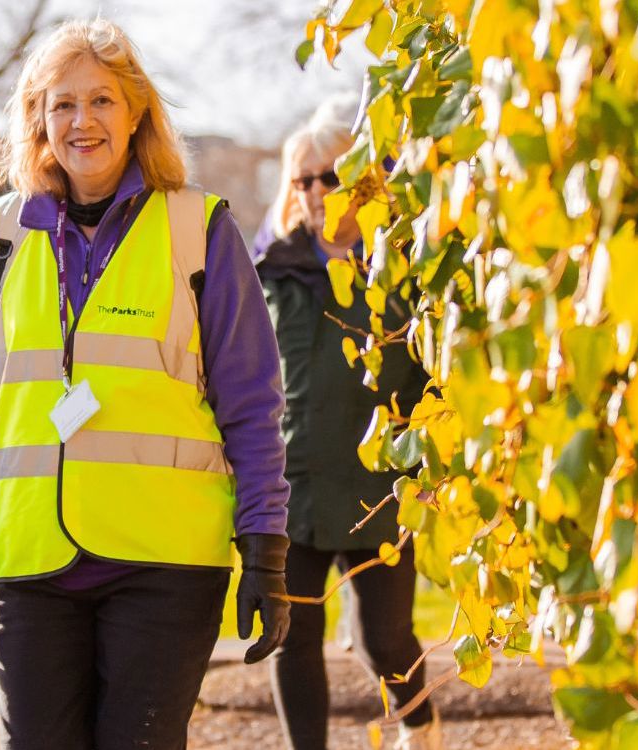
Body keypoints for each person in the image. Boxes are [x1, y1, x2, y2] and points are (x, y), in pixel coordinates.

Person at [0, 19, 292, 749]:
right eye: (61, 104)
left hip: (165, 563)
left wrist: (266, 550)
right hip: (29, 564)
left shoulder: (200, 230)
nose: (81, 121)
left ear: (137, 112)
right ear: (37, 120)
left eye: (101, 101)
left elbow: (253, 405)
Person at [255, 110, 438, 749]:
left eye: (331, 176)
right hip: (289, 486)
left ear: (367, 179)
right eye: (303, 179)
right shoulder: (266, 274)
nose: (315, 191)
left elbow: (430, 378)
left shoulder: (402, 269)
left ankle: (419, 730)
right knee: (289, 633)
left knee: (382, 638)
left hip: (379, 490)